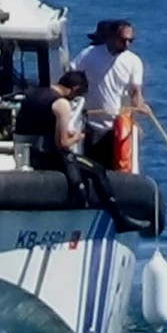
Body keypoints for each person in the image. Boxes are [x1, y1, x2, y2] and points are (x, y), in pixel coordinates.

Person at [11, 71, 149, 230]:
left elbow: (40, 125)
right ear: (74, 89)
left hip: (31, 153)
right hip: (50, 156)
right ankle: (118, 219)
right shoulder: (61, 104)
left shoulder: (34, 94)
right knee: (97, 170)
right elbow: (63, 143)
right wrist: (78, 137)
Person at [69, 19, 146, 169]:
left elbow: (135, 94)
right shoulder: (89, 55)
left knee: (119, 169)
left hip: (118, 127)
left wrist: (139, 110)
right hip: (92, 125)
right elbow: (71, 76)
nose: (127, 44)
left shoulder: (134, 61)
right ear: (111, 37)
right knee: (93, 168)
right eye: (123, 40)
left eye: (130, 40)